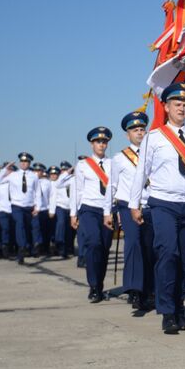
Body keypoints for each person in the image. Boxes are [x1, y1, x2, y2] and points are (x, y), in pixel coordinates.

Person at [129, 83, 185, 334]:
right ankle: (166, 311)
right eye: (177, 104)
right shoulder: (154, 137)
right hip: (162, 203)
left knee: (184, 257)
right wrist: (134, 204)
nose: (182, 108)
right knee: (168, 253)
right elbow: (141, 171)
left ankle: (178, 307)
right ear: (165, 107)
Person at [111, 111, 155, 312]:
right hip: (128, 206)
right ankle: (135, 290)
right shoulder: (119, 158)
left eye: (142, 129)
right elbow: (112, 186)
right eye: (134, 130)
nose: (139, 132)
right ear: (127, 134)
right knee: (134, 246)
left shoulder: (154, 154)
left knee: (150, 248)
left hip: (151, 206)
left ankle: (149, 288)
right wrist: (108, 211)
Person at [71, 127, 114, 303]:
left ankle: (100, 284)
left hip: (107, 210)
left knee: (104, 248)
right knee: (94, 243)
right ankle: (93, 286)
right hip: (88, 209)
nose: (101, 145)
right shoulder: (83, 165)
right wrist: (73, 213)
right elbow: (77, 190)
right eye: (98, 142)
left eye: (104, 142)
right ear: (92, 144)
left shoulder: (113, 164)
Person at [0, 153, 42, 264]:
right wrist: (5, 169)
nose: (23, 163)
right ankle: (22, 247)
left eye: (26, 162)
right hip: (17, 206)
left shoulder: (33, 176)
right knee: (19, 224)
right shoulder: (13, 175)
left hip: (29, 207)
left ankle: (26, 249)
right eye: (22, 161)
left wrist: (37, 206)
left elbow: (37, 192)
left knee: (27, 227)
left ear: (29, 163)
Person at [50, 161, 75, 258]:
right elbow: (53, 197)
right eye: (63, 170)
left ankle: (68, 248)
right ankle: (59, 244)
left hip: (71, 208)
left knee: (69, 230)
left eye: (66, 169)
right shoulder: (59, 181)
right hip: (60, 206)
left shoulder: (74, 179)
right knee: (61, 224)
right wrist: (52, 210)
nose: (64, 171)